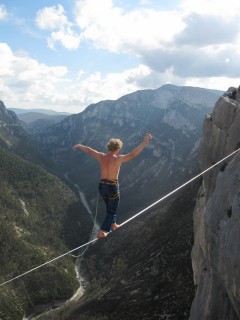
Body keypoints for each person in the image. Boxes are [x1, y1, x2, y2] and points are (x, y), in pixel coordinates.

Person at [72, 133, 152, 239]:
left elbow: (89, 150)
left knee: (109, 207)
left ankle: (113, 225)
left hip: (102, 186)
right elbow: (133, 154)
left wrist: (79, 146)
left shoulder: (101, 156)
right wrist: (144, 142)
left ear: (109, 147)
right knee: (112, 210)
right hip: (112, 187)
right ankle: (103, 231)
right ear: (118, 148)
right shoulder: (118, 159)